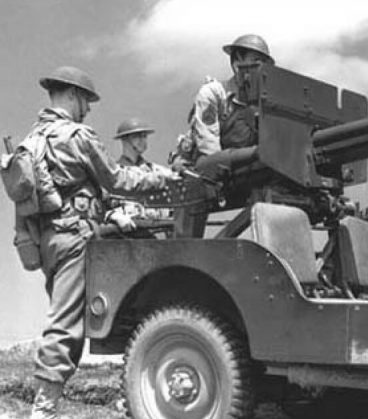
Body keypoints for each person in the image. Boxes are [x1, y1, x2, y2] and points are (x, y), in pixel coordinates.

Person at [21, 66, 178, 419]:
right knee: (66, 325)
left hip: (49, 242)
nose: (89, 109)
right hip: (76, 237)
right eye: (87, 101)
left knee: (76, 317)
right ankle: (42, 410)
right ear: (74, 96)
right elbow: (115, 179)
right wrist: (162, 178)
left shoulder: (32, 139)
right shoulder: (77, 137)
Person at [169, 34, 274, 237]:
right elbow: (210, 152)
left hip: (240, 170)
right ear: (236, 63)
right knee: (185, 244)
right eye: (255, 62)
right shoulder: (213, 94)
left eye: (262, 64)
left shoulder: (264, 102)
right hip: (202, 173)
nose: (260, 70)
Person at [108, 118, 173, 223]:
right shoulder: (115, 174)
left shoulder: (156, 171)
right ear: (125, 139)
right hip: (126, 233)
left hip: (156, 230)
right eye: (137, 136)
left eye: (144, 136)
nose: (143, 140)